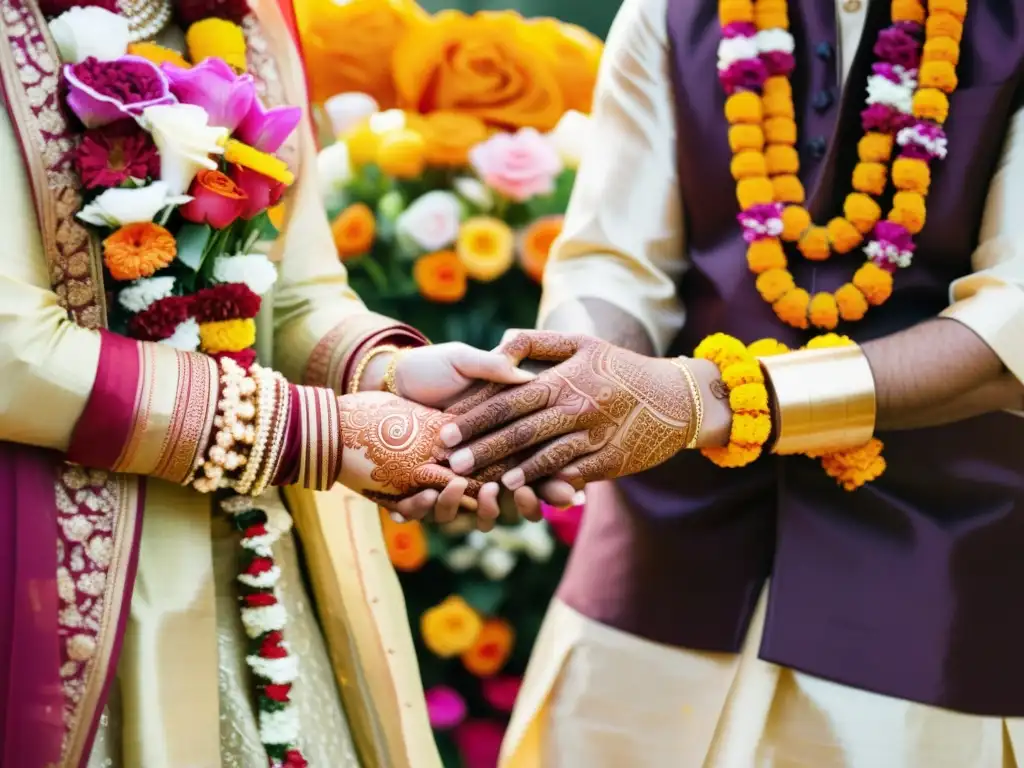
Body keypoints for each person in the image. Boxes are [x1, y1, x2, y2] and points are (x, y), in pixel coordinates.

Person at [432, 0, 1024, 765]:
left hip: (919, 601)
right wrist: (561, 401)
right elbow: (614, 263)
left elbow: (1008, 329)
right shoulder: (673, 13)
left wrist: (705, 401)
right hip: (655, 578)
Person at [0, 0, 570, 765]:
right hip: (52, 585)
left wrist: (396, 376)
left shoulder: (254, 18)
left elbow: (294, 292)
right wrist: (316, 435)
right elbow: (13, 352)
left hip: (257, 554)